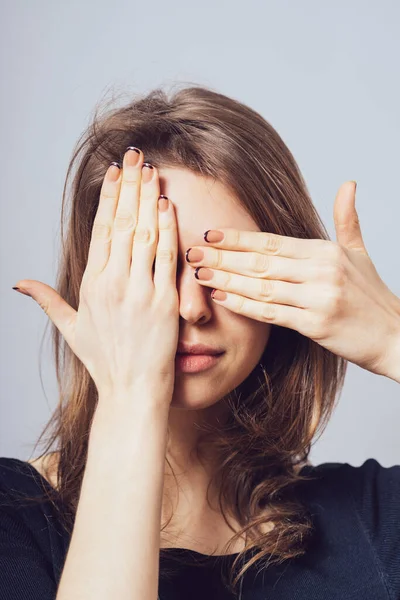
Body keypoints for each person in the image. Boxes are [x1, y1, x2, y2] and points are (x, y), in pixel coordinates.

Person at [1, 84, 400, 600]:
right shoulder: (15, 518)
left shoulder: (373, 518)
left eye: (220, 268)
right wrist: (130, 392)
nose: (191, 308)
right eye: (149, 267)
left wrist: (393, 336)